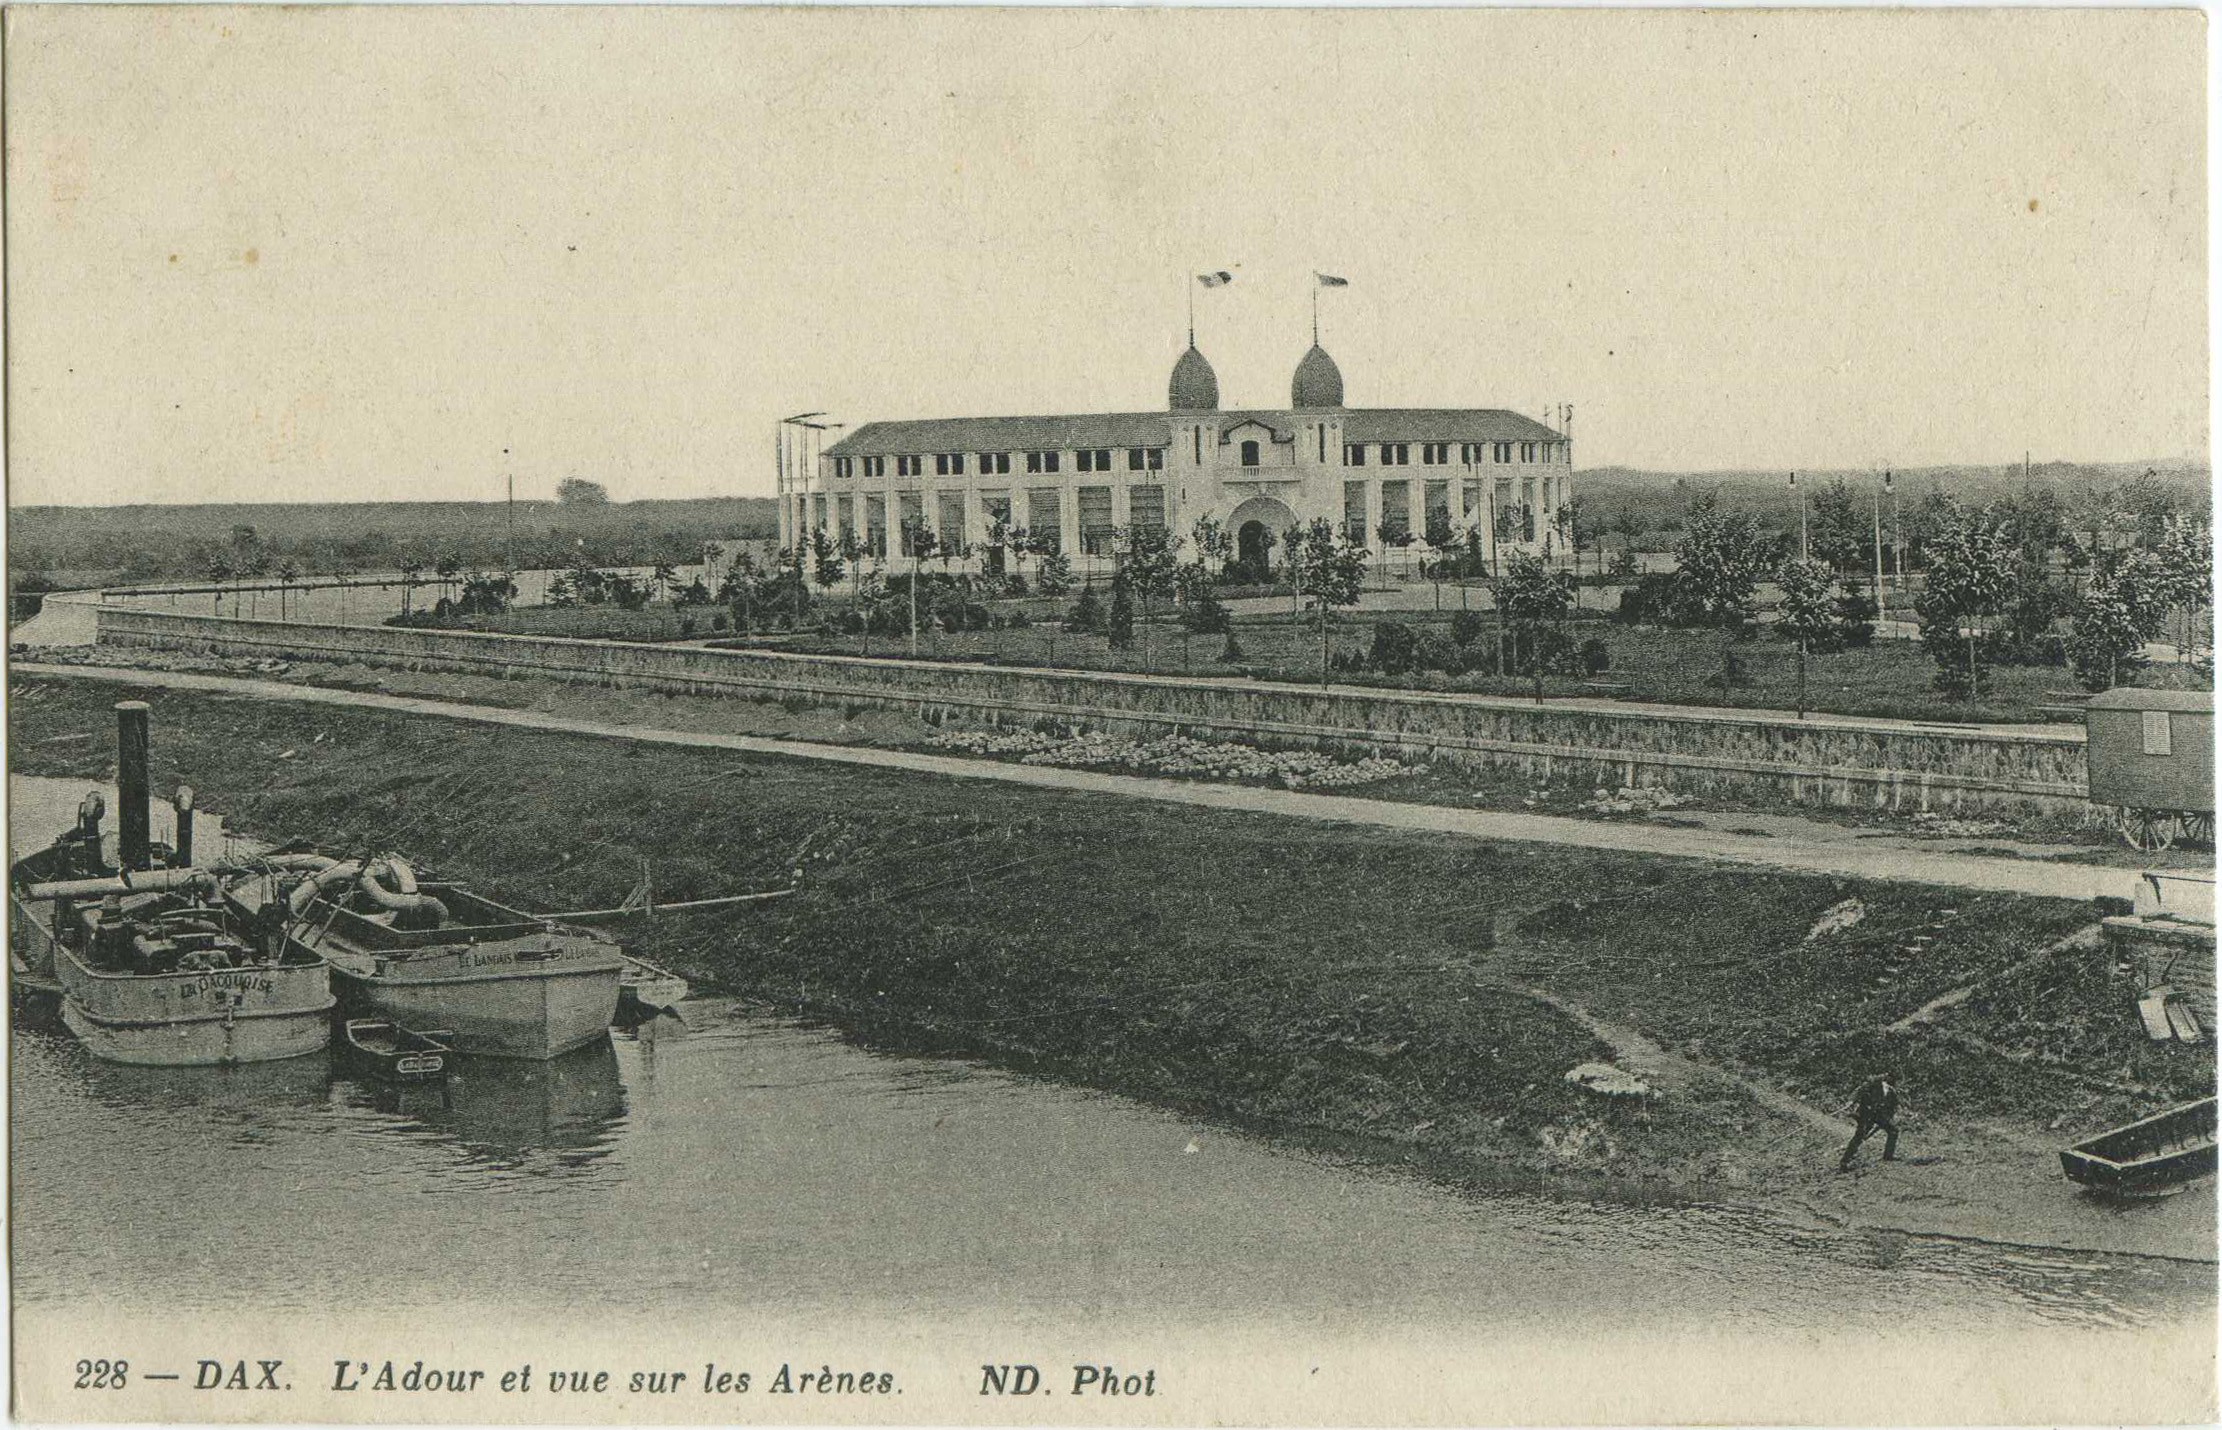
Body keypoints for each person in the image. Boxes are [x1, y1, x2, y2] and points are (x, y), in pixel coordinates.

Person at [1837, 1069, 1901, 1171]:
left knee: (1893, 1131)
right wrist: (1851, 1101)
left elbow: (1893, 1106)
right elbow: (1858, 1091)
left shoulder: (1892, 1091)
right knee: (1860, 1136)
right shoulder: (1873, 1084)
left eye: (1892, 1077)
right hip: (1866, 1114)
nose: (1889, 1078)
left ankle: (1888, 1156)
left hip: (1879, 1115)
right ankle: (1845, 1161)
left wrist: (1891, 1116)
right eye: (1888, 1076)